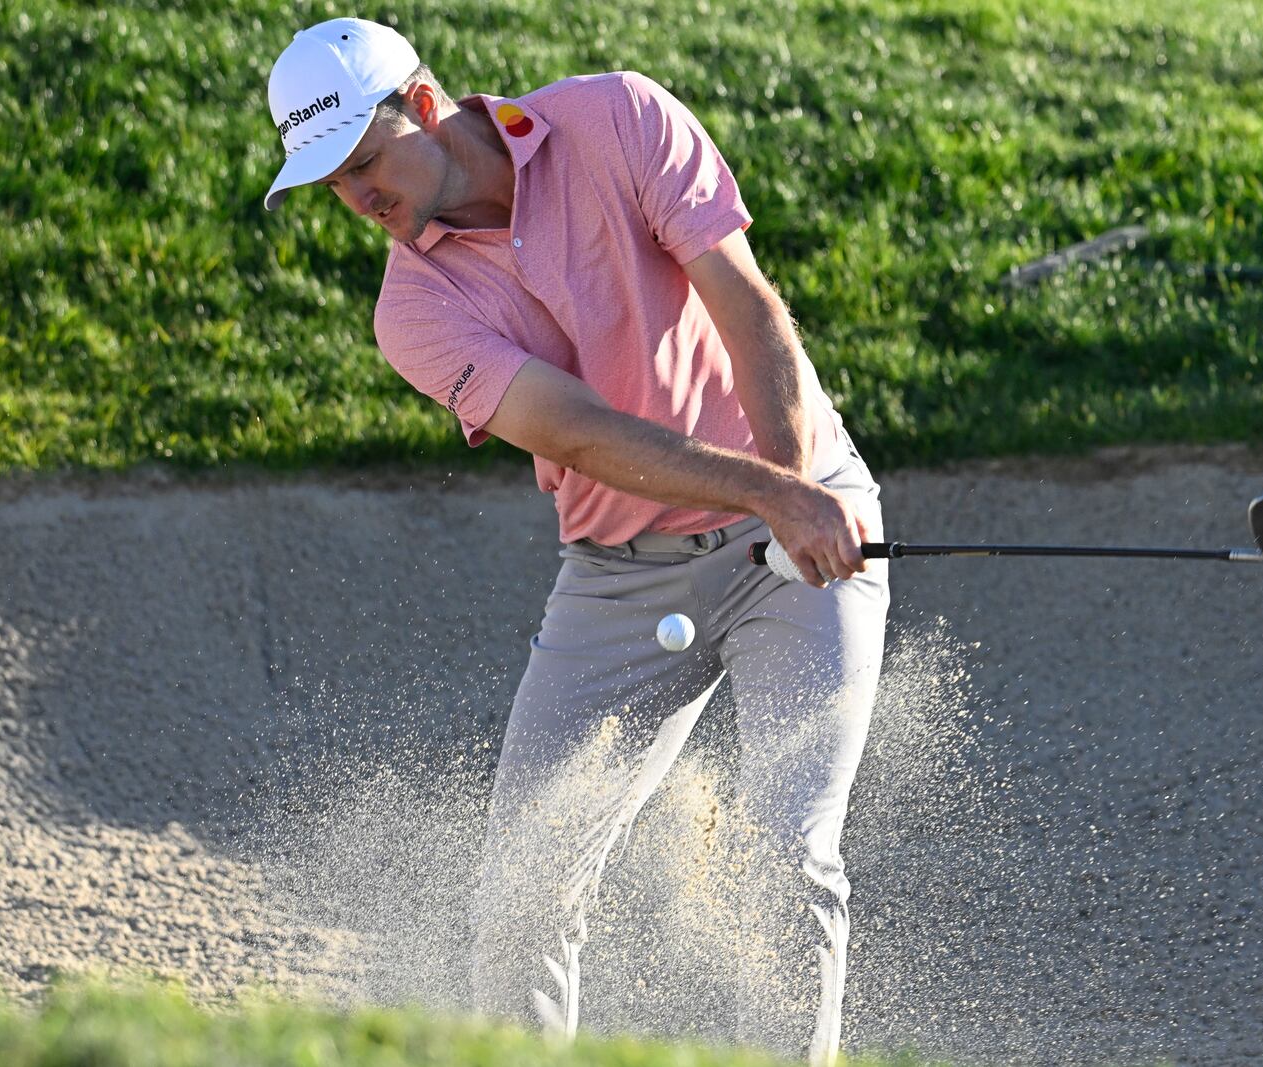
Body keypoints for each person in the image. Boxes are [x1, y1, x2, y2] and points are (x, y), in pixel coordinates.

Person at [262, 17, 889, 1066]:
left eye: (364, 162)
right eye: (328, 182)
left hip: (806, 521)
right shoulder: (413, 309)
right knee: (521, 890)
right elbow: (581, 436)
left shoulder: (617, 118)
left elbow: (745, 307)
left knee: (789, 855)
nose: (356, 197)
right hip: (620, 582)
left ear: (423, 107)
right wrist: (767, 494)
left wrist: (789, 496)